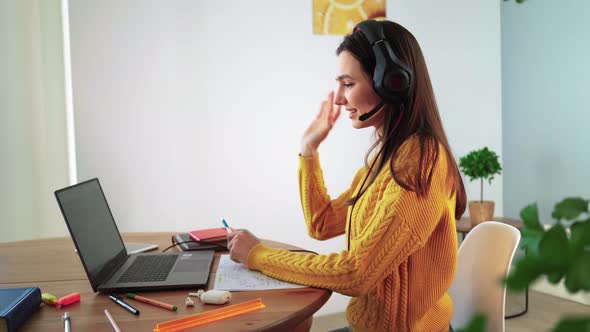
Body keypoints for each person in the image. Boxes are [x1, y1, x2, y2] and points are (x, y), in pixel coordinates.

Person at [227, 19, 466, 332]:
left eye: (348, 84)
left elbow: (357, 273)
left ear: (392, 82)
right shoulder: (385, 158)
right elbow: (322, 223)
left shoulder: (420, 162)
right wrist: (308, 150)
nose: (338, 98)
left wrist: (257, 255)